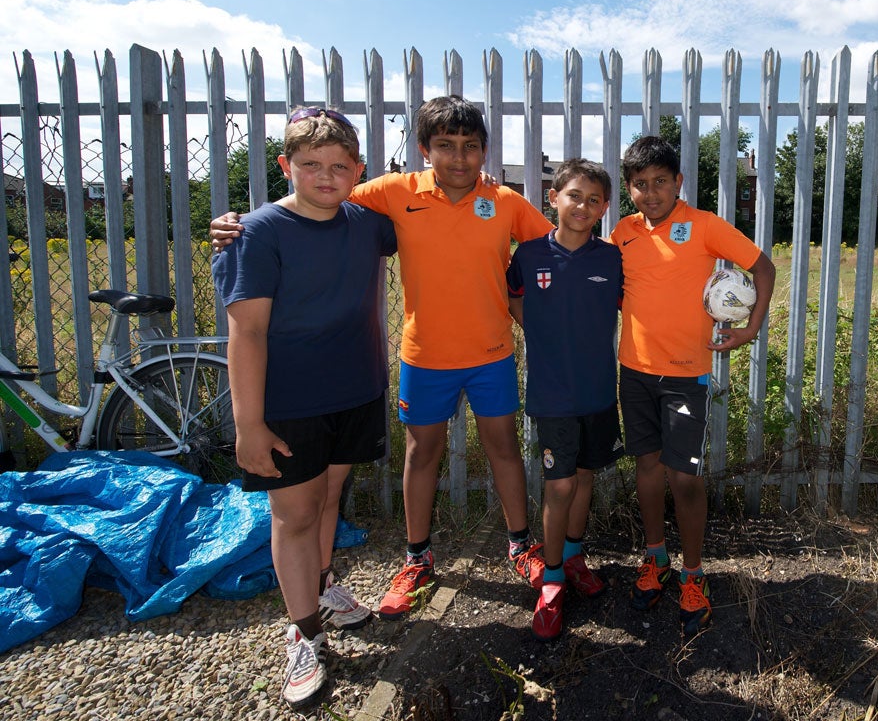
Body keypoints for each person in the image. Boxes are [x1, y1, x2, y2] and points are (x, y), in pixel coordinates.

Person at [211, 96, 553, 621]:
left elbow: (554, 246)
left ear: (485, 150)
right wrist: (238, 222)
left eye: (470, 147)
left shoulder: (504, 200)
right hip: (424, 355)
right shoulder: (393, 192)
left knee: (504, 449)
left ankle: (520, 544)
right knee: (421, 454)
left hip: (492, 355)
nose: (458, 158)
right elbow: (316, 198)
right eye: (445, 146)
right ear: (423, 150)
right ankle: (417, 558)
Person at [212, 107, 397, 708]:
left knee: (327, 501)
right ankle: (303, 633)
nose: (325, 176)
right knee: (293, 515)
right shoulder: (260, 232)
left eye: (339, 166)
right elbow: (248, 334)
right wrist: (249, 424)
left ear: (358, 172)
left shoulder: (369, 224)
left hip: (357, 390)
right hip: (287, 406)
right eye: (311, 165)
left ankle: (321, 591)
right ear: (285, 166)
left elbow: (435, 223)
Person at [611, 135, 776, 638]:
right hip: (634, 369)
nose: (651, 192)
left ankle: (694, 573)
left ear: (678, 182)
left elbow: (762, 266)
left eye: (661, 182)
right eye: (641, 185)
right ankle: (655, 559)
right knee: (647, 466)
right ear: (629, 189)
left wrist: (750, 326)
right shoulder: (622, 232)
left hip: (686, 374)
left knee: (684, 477)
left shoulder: (703, 226)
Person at [506, 159, 624, 641]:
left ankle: (574, 556)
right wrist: (540, 333)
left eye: (594, 200)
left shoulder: (612, 258)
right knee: (558, 487)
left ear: (604, 208)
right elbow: (514, 299)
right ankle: (551, 579)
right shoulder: (529, 255)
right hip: (552, 395)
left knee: (584, 476)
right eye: (574, 195)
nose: (583, 206)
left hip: (598, 392)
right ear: (553, 198)